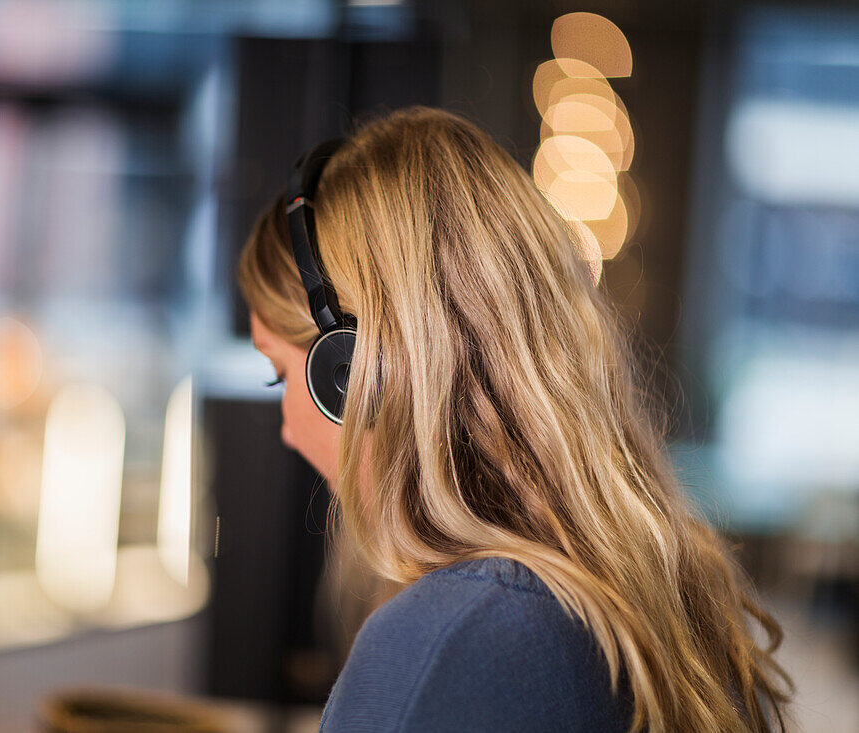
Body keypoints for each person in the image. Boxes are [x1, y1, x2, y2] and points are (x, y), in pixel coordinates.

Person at [238, 107, 792, 732]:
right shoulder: (674, 604)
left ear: (354, 372)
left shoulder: (444, 644)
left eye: (280, 375)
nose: (286, 426)